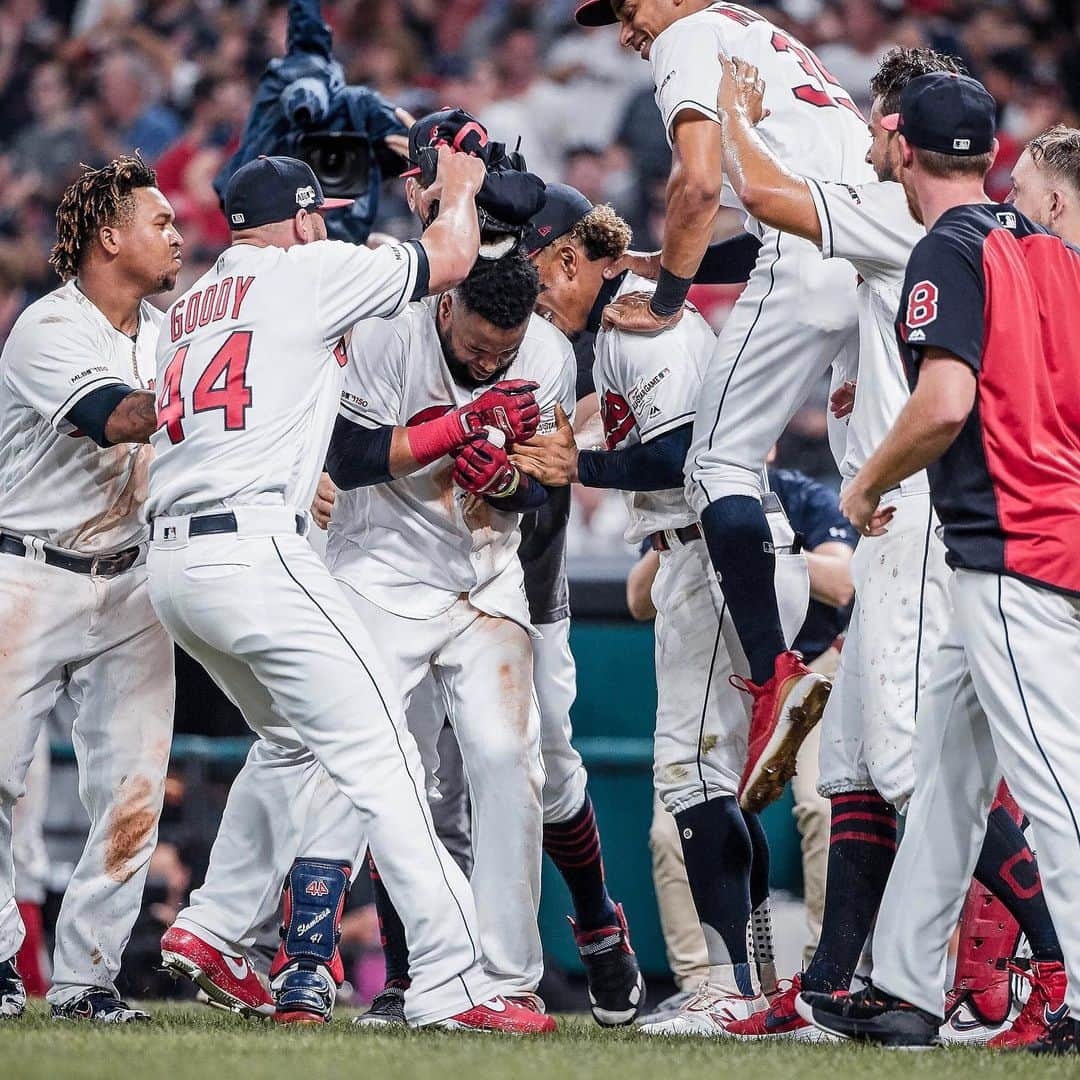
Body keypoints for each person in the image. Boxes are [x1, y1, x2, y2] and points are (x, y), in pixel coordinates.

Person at [711, 52, 1068, 1048]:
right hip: (927, 517)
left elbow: (767, 195)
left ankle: (1051, 965)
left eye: (883, 120)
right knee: (861, 766)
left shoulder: (920, 222)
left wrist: (736, 116)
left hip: (918, 513)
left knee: (916, 763)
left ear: (905, 139)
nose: (872, 134)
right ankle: (846, 984)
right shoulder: (1005, 235)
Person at [149, 152, 549, 1034]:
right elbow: (448, 257)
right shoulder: (305, 273)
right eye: (316, 213)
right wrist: (460, 184)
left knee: (293, 742)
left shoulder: (185, 309)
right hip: (258, 550)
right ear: (294, 222)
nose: (324, 224)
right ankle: (456, 982)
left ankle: (215, 927)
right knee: (389, 762)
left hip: (173, 566)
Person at [512, 185, 809, 1035]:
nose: (541, 303)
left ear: (573, 260)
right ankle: (747, 978)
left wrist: (586, 469)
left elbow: (687, 453)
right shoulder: (624, 326)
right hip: (720, 553)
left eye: (543, 282)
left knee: (690, 777)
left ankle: (727, 987)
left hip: (716, 555)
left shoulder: (640, 319)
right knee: (713, 784)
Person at [572, 0, 872, 813]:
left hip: (810, 255)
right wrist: (665, 260)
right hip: (872, 257)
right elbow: (807, 219)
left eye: (629, 9)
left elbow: (699, 182)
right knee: (874, 495)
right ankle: (878, 650)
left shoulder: (686, 35)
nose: (628, 31)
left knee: (714, 464)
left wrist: (669, 293)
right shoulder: (768, 38)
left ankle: (778, 675)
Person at [319, 251, 574, 1024]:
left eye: (505, 349)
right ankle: (310, 958)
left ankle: (503, 975)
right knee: (362, 769)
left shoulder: (550, 354)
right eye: (477, 346)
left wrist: (507, 481)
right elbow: (350, 456)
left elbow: (545, 481)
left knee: (509, 762)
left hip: (485, 574)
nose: (490, 360)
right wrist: (453, 431)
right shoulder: (389, 330)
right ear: (446, 308)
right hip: (380, 568)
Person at [0, 155, 180, 1022]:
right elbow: (117, 417)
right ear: (110, 237)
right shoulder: (49, 326)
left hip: (133, 580)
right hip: (26, 572)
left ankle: (84, 980)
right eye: (160, 222)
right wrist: (220, 395)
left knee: (132, 789)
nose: (177, 233)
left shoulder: (172, 327)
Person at [628, 463, 855, 1026]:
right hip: (726, 665)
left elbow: (844, 582)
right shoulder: (683, 502)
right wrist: (697, 533)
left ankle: (822, 979)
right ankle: (703, 982)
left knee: (823, 807)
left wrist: (750, 545)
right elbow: (637, 598)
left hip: (811, 669)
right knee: (676, 821)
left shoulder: (800, 495)